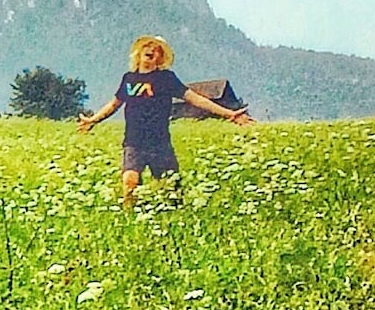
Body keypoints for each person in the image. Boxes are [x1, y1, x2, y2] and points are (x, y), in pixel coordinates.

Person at [78, 35, 253, 209]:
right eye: (149, 47)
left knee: (171, 191)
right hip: (133, 142)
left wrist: (229, 114)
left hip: (160, 143)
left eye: (157, 50)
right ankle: (129, 217)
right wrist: (93, 120)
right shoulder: (128, 79)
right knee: (129, 181)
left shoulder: (166, 79)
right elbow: (114, 104)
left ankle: (174, 215)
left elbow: (195, 99)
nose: (152, 51)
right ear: (138, 53)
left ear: (160, 59)